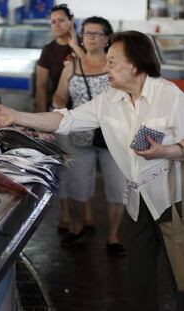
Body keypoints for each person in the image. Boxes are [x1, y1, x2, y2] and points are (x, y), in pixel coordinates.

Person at [0, 30, 184, 311]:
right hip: (139, 201)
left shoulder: (169, 95)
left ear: (135, 65)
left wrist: (166, 151)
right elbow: (65, 120)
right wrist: (16, 116)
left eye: (113, 62)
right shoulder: (108, 101)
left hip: (178, 198)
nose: (106, 68)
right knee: (139, 277)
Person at [52, 16, 126, 253]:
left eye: (96, 34)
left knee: (117, 189)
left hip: (114, 137)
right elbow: (59, 96)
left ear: (107, 38)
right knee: (77, 185)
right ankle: (76, 227)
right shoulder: (72, 66)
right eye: (87, 33)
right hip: (79, 135)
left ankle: (113, 237)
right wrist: (63, 112)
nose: (90, 38)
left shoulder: (118, 65)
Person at [36, 4, 84, 233]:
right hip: (60, 116)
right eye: (53, 21)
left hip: (87, 116)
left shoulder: (84, 45)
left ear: (72, 21)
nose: (56, 25)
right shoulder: (48, 50)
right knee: (65, 164)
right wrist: (38, 120)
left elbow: (97, 70)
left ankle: (87, 212)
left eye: (61, 20)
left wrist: (77, 47)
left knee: (85, 166)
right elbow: (42, 87)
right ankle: (65, 211)